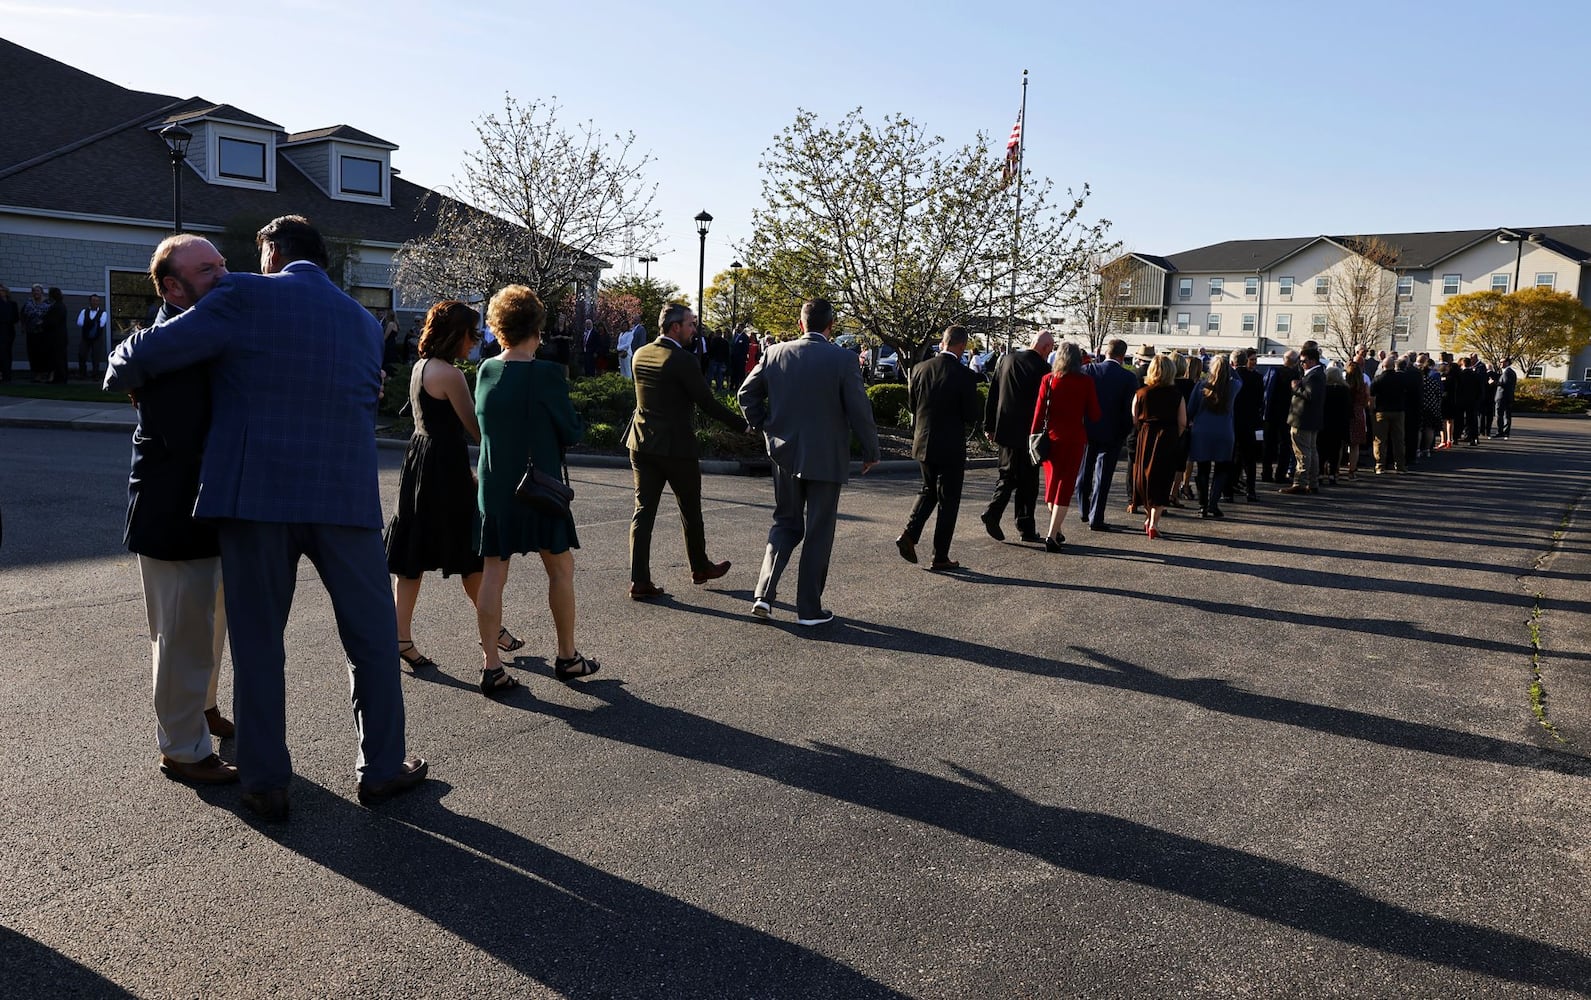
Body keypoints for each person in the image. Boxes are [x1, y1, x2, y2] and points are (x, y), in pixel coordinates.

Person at [105, 215, 426, 822]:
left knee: (258, 643)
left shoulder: (242, 294)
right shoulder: (363, 322)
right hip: (346, 498)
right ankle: (383, 768)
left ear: (272, 252)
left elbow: (143, 357)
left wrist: (120, 358)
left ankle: (264, 780)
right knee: (373, 641)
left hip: (256, 498)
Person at [121, 235, 237, 787]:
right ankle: (183, 749)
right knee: (179, 637)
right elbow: (189, 435)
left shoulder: (207, 328)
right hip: (171, 511)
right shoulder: (162, 346)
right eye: (206, 268)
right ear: (171, 286)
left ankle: (203, 710)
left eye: (221, 263)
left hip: (214, 509)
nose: (222, 273)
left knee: (210, 628)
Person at [384, 300, 525, 676]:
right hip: (443, 467)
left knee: (412, 554)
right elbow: (474, 426)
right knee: (470, 552)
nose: (475, 340)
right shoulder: (450, 374)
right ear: (455, 335)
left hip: (419, 461)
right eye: (472, 333)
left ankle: (401, 637)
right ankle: (491, 630)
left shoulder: (420, 367)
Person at [474, 284, 597, 692]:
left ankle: (491, 664)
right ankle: (567, 656)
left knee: (494, 572)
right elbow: (571, 429)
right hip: (540, 485)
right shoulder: (546, 374)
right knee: (560, 568)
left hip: (495, 486)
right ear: (537, 328)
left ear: (499, 327)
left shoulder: (485, 370)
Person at [738, 298, 880, 626]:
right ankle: (809, 609)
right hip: (827, 456)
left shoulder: (775, 353)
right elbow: (860, 409)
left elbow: (747, 394)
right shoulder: (843, 359)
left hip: (784, 453)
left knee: (785, 523)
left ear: (800, 324)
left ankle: (763, 594)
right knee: (818, 530)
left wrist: (765, 425)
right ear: (830, 326)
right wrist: (871, 449)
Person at [625, 304, 745, 600]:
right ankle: (700, 567)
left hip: (641, 443)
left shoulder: (640, 354)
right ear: (675, 327)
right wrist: (743, 426)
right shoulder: (682, 360)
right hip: (676, 448)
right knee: (690, 509)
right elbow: (708, 402)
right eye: (691, 324)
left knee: (643, 513)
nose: (695, 329)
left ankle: (639, 580)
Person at [896, 324, 982, 570]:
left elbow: (913, 406)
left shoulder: (920, 369)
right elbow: (971, 415)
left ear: (943, 342)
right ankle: (940, 555)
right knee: (948, 500)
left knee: (928, 489)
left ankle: (910, 535)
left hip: (923, 441)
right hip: (950, 446)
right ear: (962, 346)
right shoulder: (965, 375)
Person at [980, 329, 1053, 543]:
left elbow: (993, 394)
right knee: (1027, 482)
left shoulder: (1006, 360)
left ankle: (998, 514)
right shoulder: (1043, 369)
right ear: (1046, 348)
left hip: (1005, 429)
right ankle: (1021, 524)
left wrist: (989, 424)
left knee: (1007, 474)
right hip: (1030, 433)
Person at [1031, 341, 1101, 552]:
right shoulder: (1086, 382)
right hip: (1074, 439)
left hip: (1051, 440)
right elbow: (1095, 414)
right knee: (1065, 487)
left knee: (1052, 486)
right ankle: (1052, 535)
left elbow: (1039, 412)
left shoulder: (1048, 380)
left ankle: (1056, 529)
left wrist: (1032, 438)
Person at [1076, 337, 1138, 531]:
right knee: (1103, 477)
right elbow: (1129, 410)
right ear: (1123, 355)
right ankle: (1096, 516)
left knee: (1084, 472)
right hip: (1113, 432)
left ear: (1106, 352)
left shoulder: (1089, 371)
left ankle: (1084, 509)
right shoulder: (1128, 378)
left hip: (1089, 428)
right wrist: (1124, 433)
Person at [1131, 354, 1186, 539]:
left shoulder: (1141, 393)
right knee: (1163, 478)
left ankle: (1148, 517)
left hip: (1146, 435)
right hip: (1168, 436)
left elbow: (1134, 417)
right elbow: (1183, 422)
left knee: (1144, 478)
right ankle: (1153, 522)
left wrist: (1143, 429)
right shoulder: (1177, 395)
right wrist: (1174, 436)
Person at [1187, 353, 1238, 518]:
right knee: (1222, 469)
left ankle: (1202, 505)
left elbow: (1190, 410)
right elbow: (1239, 377)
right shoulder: (1233, 386)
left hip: (1202, 431)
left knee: (1203, 469)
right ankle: (1213, 503)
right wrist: (1230, 366)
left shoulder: (1202, 386)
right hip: (1224, 431)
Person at [1279, 346, 1325, 495]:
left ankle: (1300, 482)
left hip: (1303, 419)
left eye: (1303, 361)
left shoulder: (1314, 376)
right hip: (1311, 419)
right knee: (1311, 451)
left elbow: (1310, 395)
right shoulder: (1318, 373)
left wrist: (1296, 388)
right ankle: (1312, 482)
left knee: (1302, 453)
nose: (1301, 364)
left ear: (1312, 361)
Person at [1231, 350, 1265, 500]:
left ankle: (1229, 489)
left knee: (1232, 457)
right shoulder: (1257, 377)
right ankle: (1250, 490)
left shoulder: (1232, 377)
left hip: (1233, 421)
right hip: (1251, 421)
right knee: (1249, 459)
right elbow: (1260, 401)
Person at [1370, 359, 1407, 475]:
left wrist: (1372, 410)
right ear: (1393, 366)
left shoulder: (1378, 379)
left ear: (1383, 366)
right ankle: (1400, 466)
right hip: (1398, 411)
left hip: (1381, 411)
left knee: (1380, 440)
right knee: (1398, 439)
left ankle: (1380, 465)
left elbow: (1371, 398)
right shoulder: (1401, 379)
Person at [1318, 366, 1352, 486]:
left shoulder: (1323, 389)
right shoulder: (1345, 390)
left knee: (1321, 450)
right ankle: (1332, 475)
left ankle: (1320, 474)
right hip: (1338, 424)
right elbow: (1348, 409)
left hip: (1324, 423)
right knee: (1335, 451)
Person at [75, 293, 108, 380]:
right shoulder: (84, 311)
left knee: (96, 356)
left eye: (97, 301)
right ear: (90, 301)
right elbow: (79, 323)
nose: (95, 302)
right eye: (93, 300)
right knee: (82, 355)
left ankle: (95, 375)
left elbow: (102, 324)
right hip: (85, 337)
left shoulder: (103, 313)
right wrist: (93, 323)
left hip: (97, 338)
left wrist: (87, 324)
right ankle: (82, 373)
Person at [21, 284, 49, 382]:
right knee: (32, 353)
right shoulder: (28, 303)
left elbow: (49, 317)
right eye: (34, 291)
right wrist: (23, 326)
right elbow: (23, 315)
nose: (36, 292)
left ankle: (41, 373)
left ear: (41, 292)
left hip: (42, 333)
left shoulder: (47, 303)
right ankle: (35, 373)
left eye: (38, 290)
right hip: (31, 332)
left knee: (42, 353)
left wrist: (43, 321)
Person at [44, 286, 68, 384]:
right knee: (61, 357)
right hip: (61, 336)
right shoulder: (61, 306)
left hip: (56, 337)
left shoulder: (56, 307)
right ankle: (60, 377)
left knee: (57, 358)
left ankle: (59, 378)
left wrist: (43, 323)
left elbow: (53, 322)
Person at [1493, 357, 1518, 439]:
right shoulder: (1510, 372)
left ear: (1507, 363)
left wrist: (1494, 382)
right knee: (1506, 415)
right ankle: (1505, 432)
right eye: (1500, 362)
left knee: (1500, 415)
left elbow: (1505, 384)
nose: (1500, 363)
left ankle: (1501, 432)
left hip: (1502, 396)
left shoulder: (1507, 372)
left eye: (1502, 362)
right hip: (1508, 397)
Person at [0, 284, 18, 382]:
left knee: (7, 352)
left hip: (9, 330)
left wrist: (9, 320)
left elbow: (16, 317)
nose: (1, 292)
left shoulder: (12, 304)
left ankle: (7, 373)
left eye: (2, 290)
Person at [729, 324, 751, 390]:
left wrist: (743, 357)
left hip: (741, 359)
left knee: (740, 373)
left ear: (742, 328)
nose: (737, 328)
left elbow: (746, 349)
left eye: (738, 327)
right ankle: (731, 385)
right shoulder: (734, 336)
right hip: (733, 358)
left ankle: (738, 386)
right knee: (733, 373)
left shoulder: (745, 337)